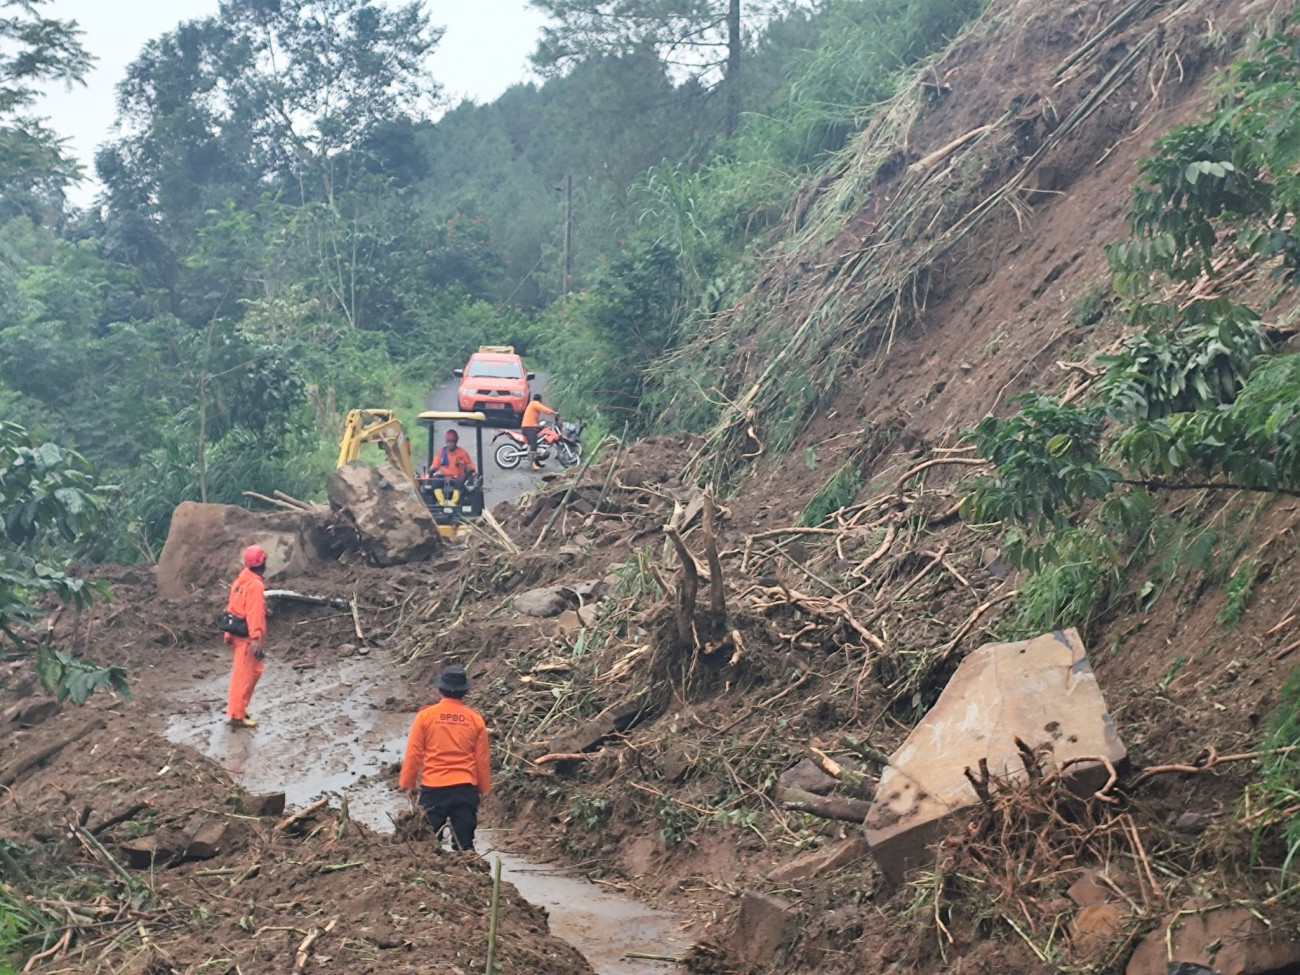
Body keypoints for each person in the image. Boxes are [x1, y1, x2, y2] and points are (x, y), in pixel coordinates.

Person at [399, 664, 491, 851]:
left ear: (440, 689)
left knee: (429, 847)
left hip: (434, 790)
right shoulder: (475, 719)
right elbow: (481, 758)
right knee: (464, 847)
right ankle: (469, 877)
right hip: (465, 789)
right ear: (464, 692)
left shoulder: (425, 716)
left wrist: (407, 783)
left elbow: (413, 752)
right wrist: (482, 789)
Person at [224, 545, 268, 729]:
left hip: (237, 632)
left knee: (254, 671)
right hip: (246, 637)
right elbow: (254, 612)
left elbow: (233, 607)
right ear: (263, 563)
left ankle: (240, 708)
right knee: (243, 676)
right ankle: (236, 715)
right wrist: (256, 637)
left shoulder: (240, 581)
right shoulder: (255, 585)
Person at [520, 393, 557, 471]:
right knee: (534, 444)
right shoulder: (534, 403)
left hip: (531, 427)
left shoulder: (532, 404)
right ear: (539, 400)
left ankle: (536, 462)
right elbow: (544, 409)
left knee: (538, 443)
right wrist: (554, 413)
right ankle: (532, 464)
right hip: (528, 428)